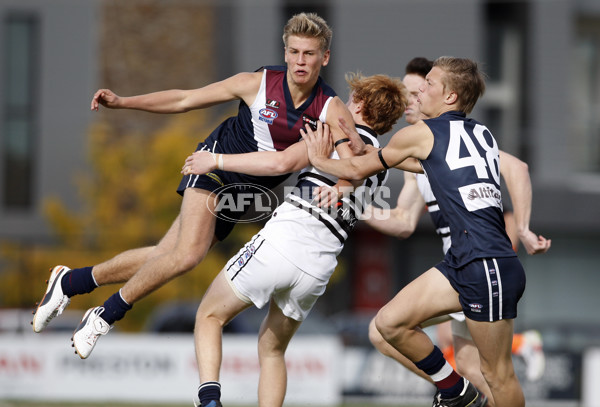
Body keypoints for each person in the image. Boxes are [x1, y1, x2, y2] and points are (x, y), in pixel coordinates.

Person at [31, 12, 363, 359]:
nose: (300, 61)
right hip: (214, 163)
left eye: (309, 54)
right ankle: (105, 315)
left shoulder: (330, 107)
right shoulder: (257, 83)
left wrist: (343, 182)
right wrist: (125, 102)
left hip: (242, 192)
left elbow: (348, 162)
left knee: (165, 255)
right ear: (284, 53)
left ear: (324, 57)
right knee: (189, 255)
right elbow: (184, 99)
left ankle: (70, 282)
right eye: (294, 51)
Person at [302, 56, 531, 407]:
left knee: (497, 374)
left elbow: (359, 167)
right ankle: (456, 391)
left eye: (429, 84)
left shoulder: (422, 134)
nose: (420, 89)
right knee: (389, 324)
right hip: (462, 262)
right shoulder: (480, 133)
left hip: (486, 263)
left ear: (450, 97)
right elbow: (410, 163)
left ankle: (461, 390)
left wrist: (320, 161)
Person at [183, 73, 407, 407]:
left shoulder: (333, 131)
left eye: (349, 97)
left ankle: (209, 401)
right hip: (319, 268)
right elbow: (357, 176)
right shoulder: (382, 164)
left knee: (209, 316)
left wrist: (216, 160)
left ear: (358, 103)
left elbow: (284, 162)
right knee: (272, 349)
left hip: (285, 241)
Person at [362, 57, 550, 404]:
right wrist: (355, 206)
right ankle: (459, 392)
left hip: (478, 262)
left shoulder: (462, 140)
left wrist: (521, 228)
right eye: (406, 93)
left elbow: (518, 168)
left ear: (443, 96)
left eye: (417, 91)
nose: (409, 100)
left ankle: (460, 391)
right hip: (454, 268)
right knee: (460, 360)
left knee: (490, 370)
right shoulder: (417, 155)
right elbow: (403, 220)